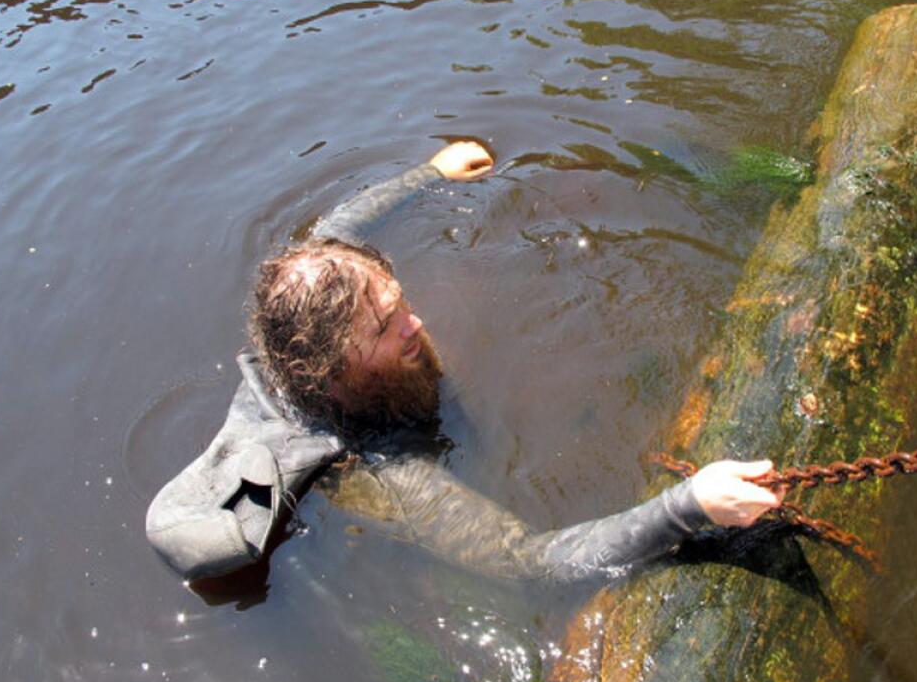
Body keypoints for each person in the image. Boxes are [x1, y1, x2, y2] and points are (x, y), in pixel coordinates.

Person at [146, 141, 784, 583]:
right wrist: (687, 505)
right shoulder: (379, 476)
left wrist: (430, 174)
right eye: (386, 328)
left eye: (399, 303)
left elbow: (334, 229)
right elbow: (532, 563)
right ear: (336, 373)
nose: (415, 325)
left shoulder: (310, 303)